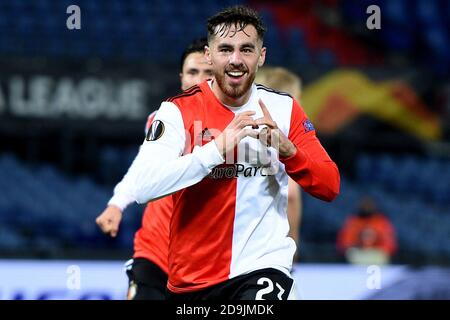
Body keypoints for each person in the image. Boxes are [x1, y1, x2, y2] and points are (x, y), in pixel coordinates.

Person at [97, 5, 340, 300]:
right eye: (225, 49)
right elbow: (145, 186)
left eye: (246, 49)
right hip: (191, 281)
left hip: (262, 269)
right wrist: (216, 149)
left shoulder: (284, 109)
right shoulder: (175, 112)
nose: (236, 59)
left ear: (261, 56)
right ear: (210, 56)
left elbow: (330, 185)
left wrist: (289, 151)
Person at [96, 38, 213, 300]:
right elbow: (143, 165)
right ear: (181, 77)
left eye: (208, 73)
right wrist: (117, 203)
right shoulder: (165, 118)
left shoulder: (235, 126)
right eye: (193, 72)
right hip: (156, 251)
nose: (200, 80)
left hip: (206, 261)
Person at [254, 66, 302, 259]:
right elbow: (290, 195)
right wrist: (293, 242)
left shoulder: (245, 130)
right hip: (270, 249)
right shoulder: (282, 138)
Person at [337, 197, 397, 265]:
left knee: (381, 256)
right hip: (359, 253)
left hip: (376, 254)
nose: (366, 207)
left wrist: (374, 247)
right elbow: (345, 243)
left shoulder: (381, 222)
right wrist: (360, 244)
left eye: (369, 205)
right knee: (352, 253)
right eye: (364, 205)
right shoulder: (353, 221)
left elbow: (389, 244)